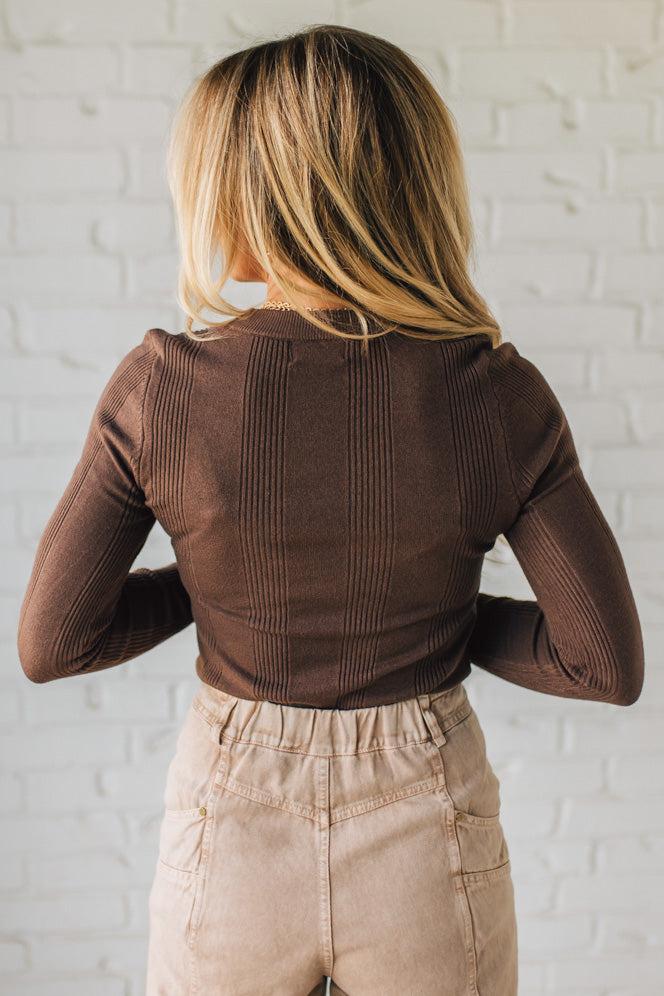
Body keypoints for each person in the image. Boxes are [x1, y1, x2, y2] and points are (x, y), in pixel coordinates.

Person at [16, 23, 644, 996]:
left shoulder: (162, 387)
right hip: (423, 818)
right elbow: (600, 663)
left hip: (233, 821)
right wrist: (421, 608)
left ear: (245, 193)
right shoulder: (493, 390)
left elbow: (54, 642)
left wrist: (216, 587)